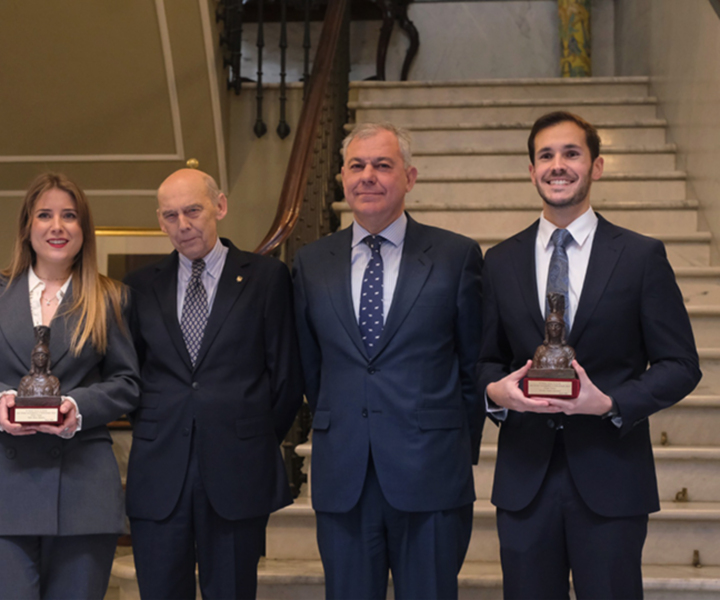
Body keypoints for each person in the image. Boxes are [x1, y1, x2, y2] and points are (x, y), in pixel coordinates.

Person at [478, 111, 702, 599]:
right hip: (525, 482)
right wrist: (496, 392)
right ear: (531, 170)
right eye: (546, 156)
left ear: (596, 166)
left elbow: (682, 365)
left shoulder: (640, 257)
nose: (557, 165)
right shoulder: (499, 261)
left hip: (612, 477)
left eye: (571, 153)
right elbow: (483, 361)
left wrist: (611, 403)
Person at [293, 122, 483, 599]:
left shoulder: (456, 256)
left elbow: (474, 366)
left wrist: (454, 446)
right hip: (345, 475)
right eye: (356, 166)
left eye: (382, 165)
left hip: (431, 473)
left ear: (409, 177)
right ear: (342, 177)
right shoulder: (311, 263)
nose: (368, 176)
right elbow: (312, 367)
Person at [0, 172, 140, 600]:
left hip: (82, 491)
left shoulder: (111, 297)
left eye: (70, 216)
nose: (57, 226)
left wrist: (77, 408)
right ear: (27, 226)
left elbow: (126, 383)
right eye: (45, 215)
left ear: (84, 229)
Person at [124, 168, 303, 600]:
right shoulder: (139, 286)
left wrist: (249, 435)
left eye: (193, 211)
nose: (183, 225)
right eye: (170, 216)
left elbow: (285, 377)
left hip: (239, 470)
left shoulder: (266, 278)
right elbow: (129, 375)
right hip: (159, 471)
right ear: (160, 221)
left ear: (219, 206)